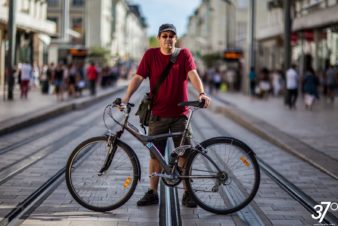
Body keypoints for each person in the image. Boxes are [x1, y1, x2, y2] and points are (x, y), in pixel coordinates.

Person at [120, 24, 211, 208]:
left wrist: (201, 92)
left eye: (171, 36)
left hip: (180, 115)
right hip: (158, 115)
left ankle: (188, 193)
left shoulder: (184, 54)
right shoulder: (150, 55)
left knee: (185, 153)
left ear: (175, 39)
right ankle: (153, 192)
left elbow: (193, 74)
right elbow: (138, 77)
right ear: (159, 38)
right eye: (164, 35)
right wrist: (126, 98)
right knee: (155, 155)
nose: (168, 39)